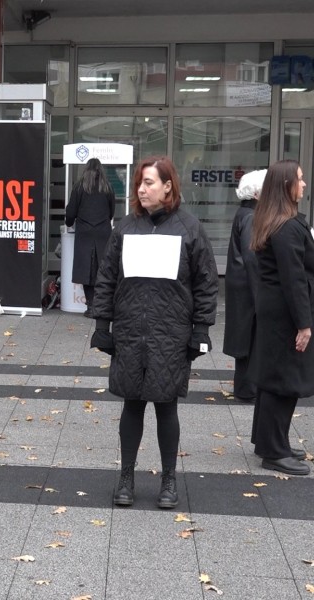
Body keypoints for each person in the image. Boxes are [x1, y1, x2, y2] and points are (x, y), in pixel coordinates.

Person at [90, 156, 218, 509]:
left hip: (171, 334)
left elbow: (206, 284)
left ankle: (168, 481)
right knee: (132, 404)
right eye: (139, 183)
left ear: (168, 187)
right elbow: (107, 277)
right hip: (131, 331)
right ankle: (127, 478)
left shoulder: (189, 229)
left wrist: (200, 330)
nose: (141, 189)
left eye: (149, 182)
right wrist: (103, 325)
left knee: (166, 407)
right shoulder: (126, 228)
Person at [249, 159, 314, 477]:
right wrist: (304, 324)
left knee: (276, 380)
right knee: (285, 381)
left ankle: (270, 442)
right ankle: (274, 451)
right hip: (288, 317)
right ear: (285, 187)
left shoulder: (276, 221)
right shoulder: (287, 227)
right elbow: (294, 278)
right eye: (300, 179)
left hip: (278, 314)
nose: (304, 184)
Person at [222, 169, 266, 404]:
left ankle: (246, 386)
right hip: (247, 286)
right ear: (258, 193)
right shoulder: (251, 216)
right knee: (251, 336)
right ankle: (248, 388)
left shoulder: (245, 213)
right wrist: (262, 292)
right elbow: (252, 257)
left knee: (246, 337)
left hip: (240, 283)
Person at [65, 158, 114, 318]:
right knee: (102, 268)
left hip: (84, 231)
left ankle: (91, 306)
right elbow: (111, 211)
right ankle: (102, 306)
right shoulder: (107, 187)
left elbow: (71, 211)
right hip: (103, 231)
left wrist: (69, 222)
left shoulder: (79, 187)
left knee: (86, 268)